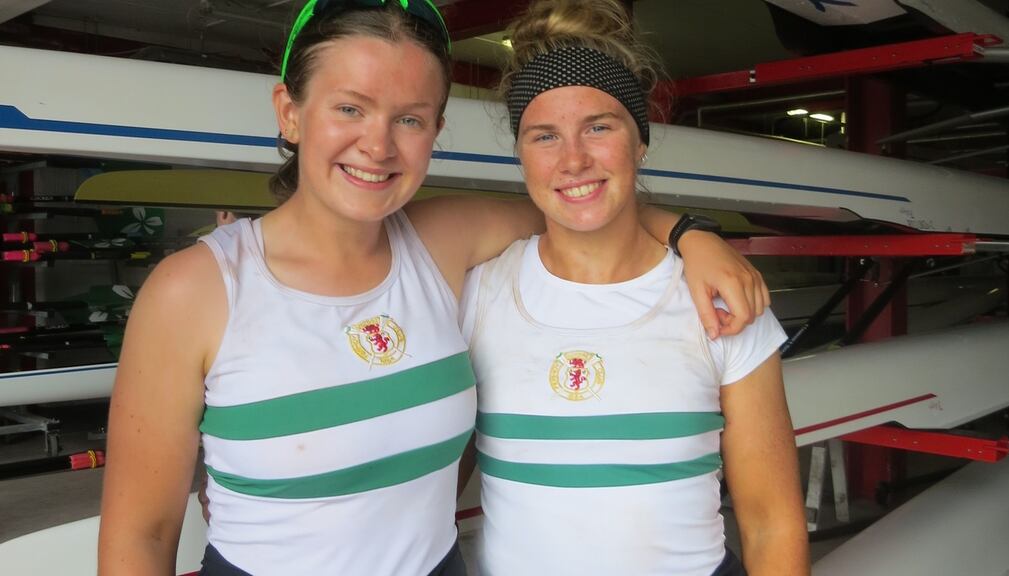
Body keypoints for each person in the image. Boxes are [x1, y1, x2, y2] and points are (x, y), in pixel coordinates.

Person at [97, 1, 770, 575]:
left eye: (410, 119)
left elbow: (582, 203)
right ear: (290, 111)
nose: (379, 145)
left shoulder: (442, 243)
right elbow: (141, 536)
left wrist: (690, 236)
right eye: (350, 108)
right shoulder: (195, 290)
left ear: (435, 133)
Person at [458, 1, 809, 574]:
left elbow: (772, 521)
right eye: (545, 136)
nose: (573, 159)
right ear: (520, 154)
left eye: (599, 127)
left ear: (640, 140)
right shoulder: (475, 296)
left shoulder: (720, 302)